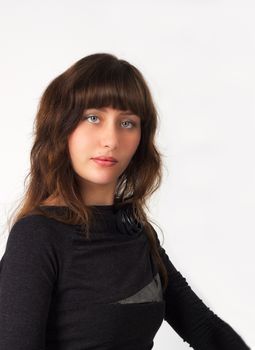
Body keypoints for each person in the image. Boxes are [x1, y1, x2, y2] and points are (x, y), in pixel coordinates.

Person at [0, 53, 250, 349]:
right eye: (93, 117)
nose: (111, 139)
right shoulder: (38, 236)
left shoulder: (137, 233)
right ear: (61, 125)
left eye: (127, 123)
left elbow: (204, 328)